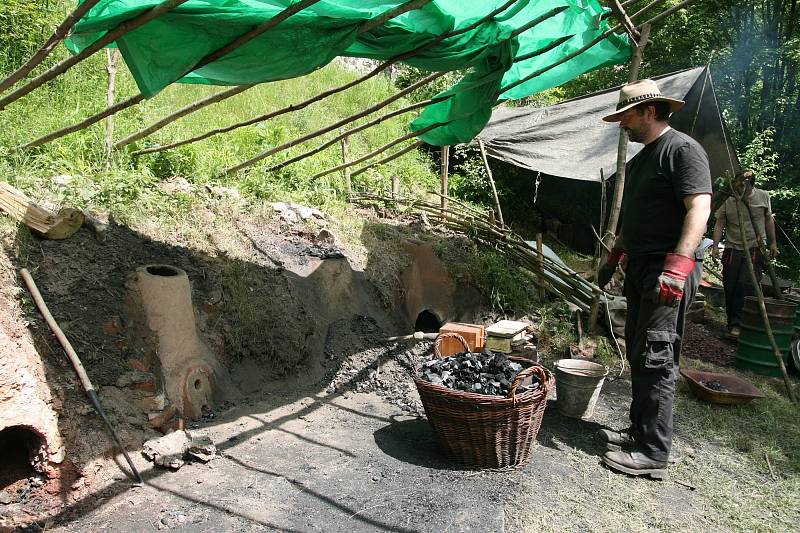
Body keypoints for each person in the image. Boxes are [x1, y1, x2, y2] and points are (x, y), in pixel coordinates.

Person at [595, 79, 712, 478]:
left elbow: (699, 208)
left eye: (625, 115)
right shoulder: (642, 159)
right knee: (638, 350)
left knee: (657, 357)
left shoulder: (682, 150)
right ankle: (638, 432)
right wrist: (613, 259)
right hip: (641, 267)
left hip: (668, 270)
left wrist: (678, 266)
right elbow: (633, 219)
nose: (621, 124)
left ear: (648, 110)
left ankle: (652, 452)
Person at [711, 170, 777, 338]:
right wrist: (715, 246)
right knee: (730, 285)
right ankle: (731, 322)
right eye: (739, 186)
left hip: (755, 247)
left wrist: (773, 242)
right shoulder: (729, 198)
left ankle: (738, 325)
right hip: (733, 248)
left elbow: (769, 219)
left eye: (745, 187)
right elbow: (720, 222)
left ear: (751, 186)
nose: (741, 190)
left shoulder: (762, 196)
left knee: (745, 285)